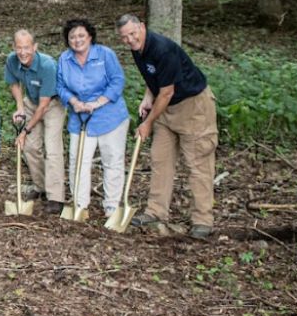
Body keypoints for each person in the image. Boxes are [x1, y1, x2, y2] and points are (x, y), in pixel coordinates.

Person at [116, 14, 218, 239]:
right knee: (160, 159)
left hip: (193, 107)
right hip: (165, 108)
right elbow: (156, 80)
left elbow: (167, 90)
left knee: (197, 163)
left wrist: (147, 123)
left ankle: (202, 219)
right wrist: (147, 97)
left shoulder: (162, 48)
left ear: (142, 27)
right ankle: (156, 211)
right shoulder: (137, 49)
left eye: (133, 34)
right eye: (125, 37)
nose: (130, 40)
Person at [55, 18, 129, 217]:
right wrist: (74, 102)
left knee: (112, 161)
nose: (77, 40)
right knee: (78, 160)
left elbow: (117, 80)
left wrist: (98, 102)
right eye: (72, 36)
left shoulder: (105, 55)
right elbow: (60, 86)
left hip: (109, 117)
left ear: (90, 37)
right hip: (80, 117)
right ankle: (80, 205)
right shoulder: (64, 59)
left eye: (81, 35)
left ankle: (111, 207)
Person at [5, 29, 66, 214]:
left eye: (27, 48)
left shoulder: (47, 65)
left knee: (52, 148)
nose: (23, 52)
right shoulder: (12, 60)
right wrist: (20, 107)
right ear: (14, 47)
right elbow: (14, 83)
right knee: (30, 147)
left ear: (35, 47)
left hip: (52, 104)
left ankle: (56, 197)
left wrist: (25, 131)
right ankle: (41, 187)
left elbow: (44, 106)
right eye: (19, 48)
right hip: (31, 101)